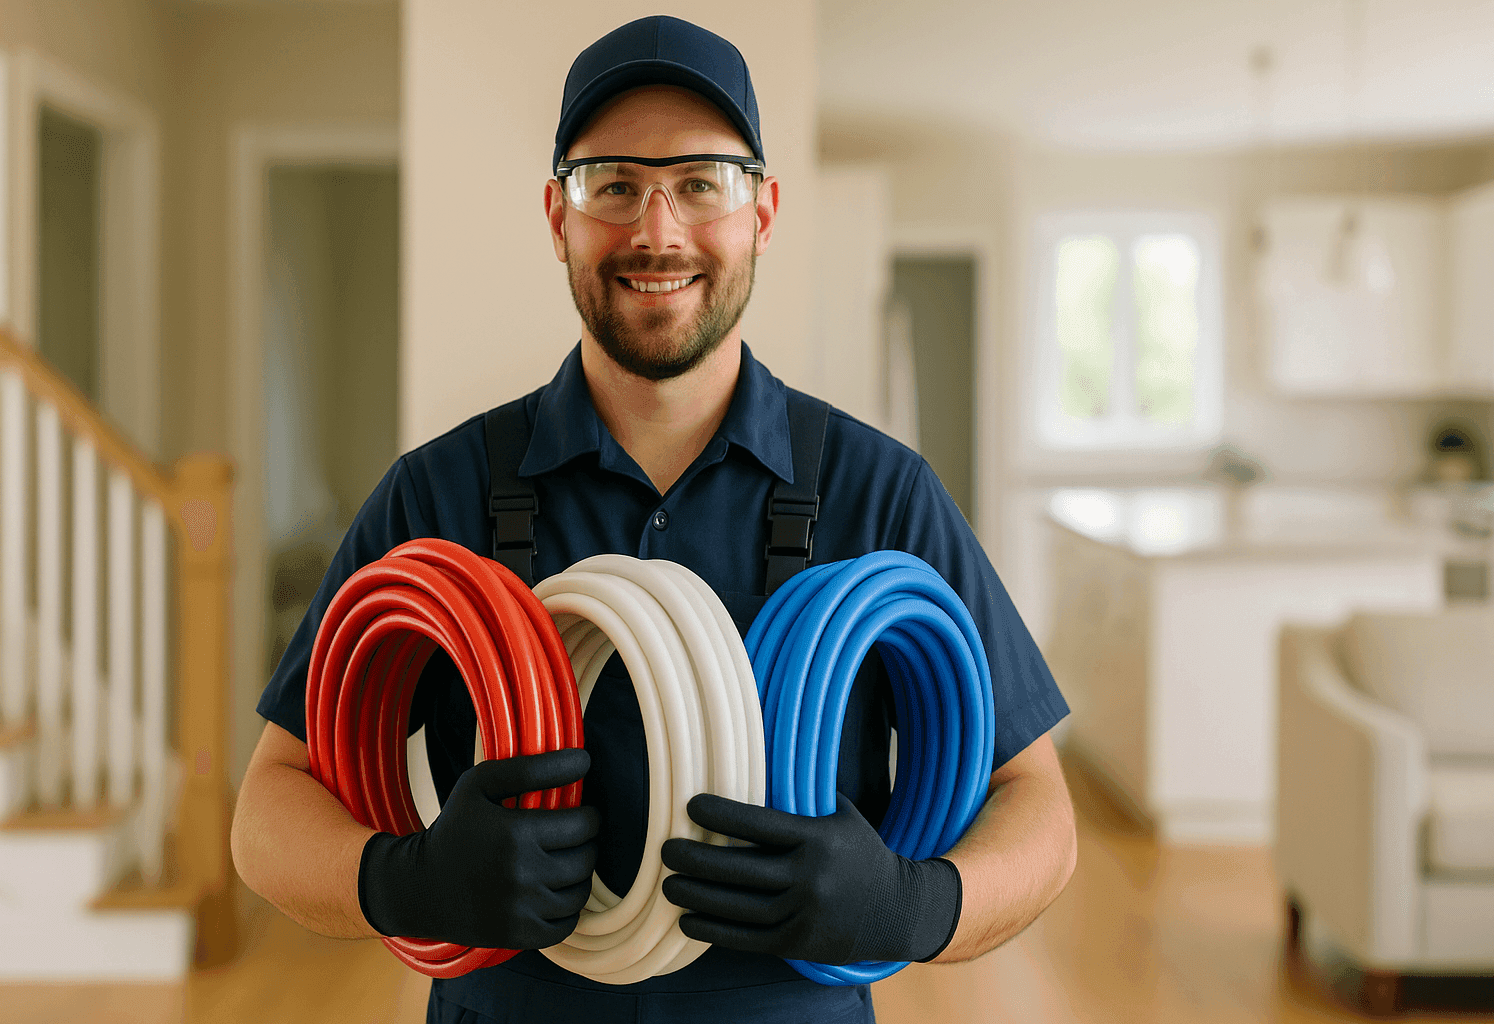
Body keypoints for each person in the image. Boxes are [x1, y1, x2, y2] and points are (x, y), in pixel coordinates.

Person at [231, 15, 1077, 1024]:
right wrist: (406, 880)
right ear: (559, 216)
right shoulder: (440, 493)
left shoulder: (879, 492)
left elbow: (1040, 809)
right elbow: (268, 807)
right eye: (614, 185)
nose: (657, 231)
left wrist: (910, 904)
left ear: (763, 211)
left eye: (702, 183)